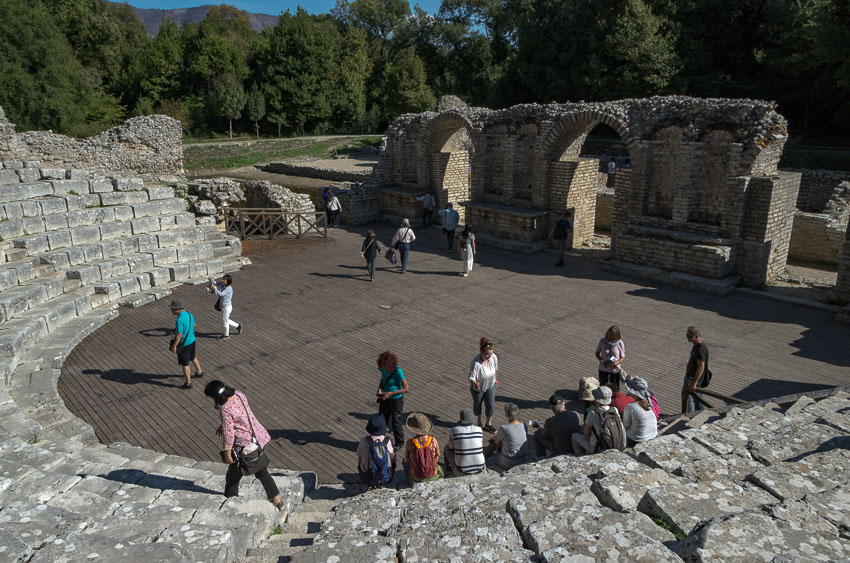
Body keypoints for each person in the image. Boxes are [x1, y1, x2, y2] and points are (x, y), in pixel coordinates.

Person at [204, 380, 283, 509]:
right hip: (257, 436)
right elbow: (242, 414)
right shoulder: (239, 394)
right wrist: (223, 424)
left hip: (244, 446)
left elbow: (229, 436)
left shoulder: (225, 409)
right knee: (260, 470)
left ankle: (230, 502)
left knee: (233, 476)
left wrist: (227, 454)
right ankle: (276, 500)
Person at [376, 351, 409, 449]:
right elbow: (383, 378)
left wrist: (391, 394)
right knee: (382, 419)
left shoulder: (398, 371)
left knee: (396, 421)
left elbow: (406, 388)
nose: (382, 368)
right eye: (381, 365)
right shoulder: (382, 368)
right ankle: (380, 438)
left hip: (396, 399)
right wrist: (380, 388)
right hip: (385, 397)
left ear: (391, 365)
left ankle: (399, 442)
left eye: (384, 366)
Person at [571, 386, 617, 455]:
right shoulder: (614, 409)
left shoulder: (593, 413)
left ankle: (579, 457)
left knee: (574, 436)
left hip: (599, 447)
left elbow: (586, 435)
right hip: (614, 443)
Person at [484, 403, 530, 470]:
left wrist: (493, 439)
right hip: (524, 459)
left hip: (509, 462)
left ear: (506, 415)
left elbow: (496, 443)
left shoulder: (504, 428)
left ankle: (483, 458)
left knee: (494, 443)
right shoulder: (524, 425)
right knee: (501, 440)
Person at [169, 300, 204, 389]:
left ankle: (188, 383)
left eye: (172, 309)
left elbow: (179, 335)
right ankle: (199, 372)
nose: (171, 311)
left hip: (184, 344)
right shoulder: (189, 314)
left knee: (185, 363)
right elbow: (194, 325)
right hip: (192, 340)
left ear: (177, 309)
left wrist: (174, 346)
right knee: (193, 357)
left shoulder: (179, 320)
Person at [403, 412, 443, 484]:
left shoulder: (410, 442)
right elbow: (437, 455)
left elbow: (408, 459)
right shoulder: (433, 440)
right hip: (432, 475)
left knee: (404, 463)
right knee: (439, 467)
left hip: (416, 477)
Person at [356, 413, 395, 486]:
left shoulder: (364, 440)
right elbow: (393, 458)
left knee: (362, 465)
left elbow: (359, 457)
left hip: (367, 477)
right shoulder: (387, 441)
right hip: (385, 476)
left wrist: (360, 466)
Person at [469, 337, 499, 433]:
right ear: (481, 352)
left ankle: (488, 424)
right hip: (479, 388)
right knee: (478, 405)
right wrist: (475, 383)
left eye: (491, 354)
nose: (489, 356)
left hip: (491, 384)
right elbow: (471, 377)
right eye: (487, 354)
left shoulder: (493, 357)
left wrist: (495, 379)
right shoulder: (476, 363)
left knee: (490, 404)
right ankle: (479, 423)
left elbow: (495, 368)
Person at [444, 408, 485, 476]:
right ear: (472, 420)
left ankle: (448, 470)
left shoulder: (454, 430)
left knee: (446, 448)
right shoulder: (479, 429)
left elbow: (450, 448)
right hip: (480, 468)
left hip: (461, 471)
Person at [622, 378, 658, 447]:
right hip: (653, 435)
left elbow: (626, 426)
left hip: (637, 439)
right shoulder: (649, 402)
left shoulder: (630, 407)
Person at [682, 327, 709, 413]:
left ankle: (692, 415)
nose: (687, 337)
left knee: (697, 400)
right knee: (688, 397)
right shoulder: (695, 345)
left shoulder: (700, 349)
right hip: (690, 377)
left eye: (689, 336)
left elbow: (701, 367)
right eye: (687, 335)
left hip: (693, 379)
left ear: (696, 336)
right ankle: (688, 414)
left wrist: (694, 382)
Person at [209, 274, 241, 340]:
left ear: (228, 281)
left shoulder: (229, 288)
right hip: (223, 306)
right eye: (223, 279)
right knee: (226, 320)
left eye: (224, 280)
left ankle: (226, 335)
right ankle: (238, 326)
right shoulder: (222, 284)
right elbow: (216, 283)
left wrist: (214, 289)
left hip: (227, 307)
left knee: (225, 321)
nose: (222, 280)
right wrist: (211, 280)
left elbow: (221, 294)